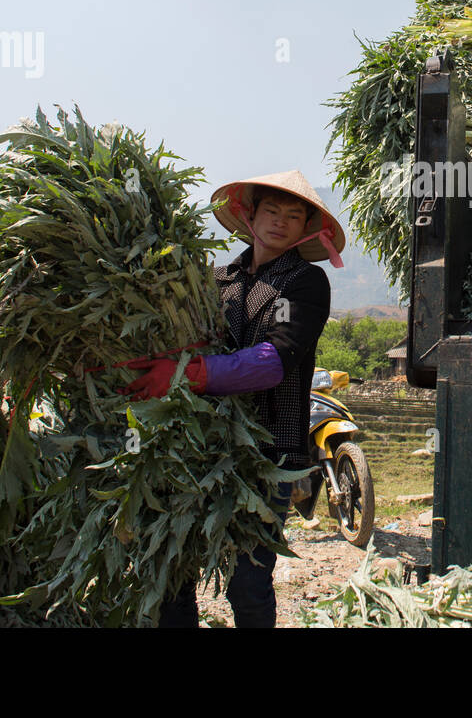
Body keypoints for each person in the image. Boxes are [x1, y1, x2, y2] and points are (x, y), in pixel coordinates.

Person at [125, 169, 342, 626]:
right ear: (249, 215)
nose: (280, 222)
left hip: (270, 451)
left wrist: (186, 376)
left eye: (294, 215)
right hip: (201, 447)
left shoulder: (306, 283)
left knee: (248, 581)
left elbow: (273, 360)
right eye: (271, 211)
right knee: (174, 569)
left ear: (306, 228)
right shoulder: (215, 280)